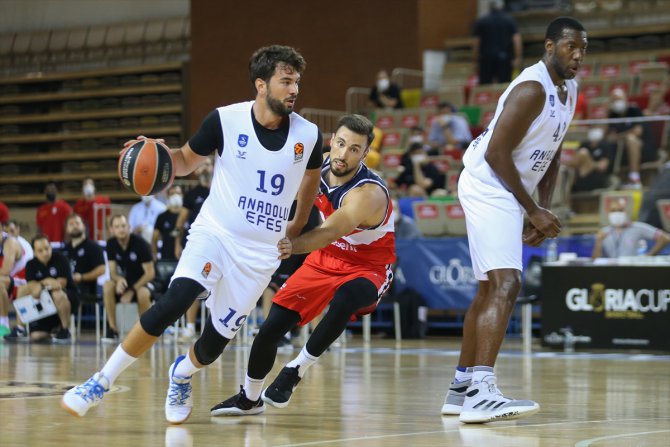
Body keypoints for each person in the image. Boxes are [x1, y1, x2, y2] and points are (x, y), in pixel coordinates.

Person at [62, 45, 323, 425]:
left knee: (214, 343)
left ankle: (181, 373)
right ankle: (100, 381)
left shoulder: (309, 134)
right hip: (216, 233)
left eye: (297, 81)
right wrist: (155, 153)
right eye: (286, 81)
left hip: (261, 254)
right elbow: (185, 160)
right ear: (261, 84)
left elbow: (311, 181)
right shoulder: (225, 120)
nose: (294, 89)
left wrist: (296, 229)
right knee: (175, 300)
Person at [442, 17, 587, 424]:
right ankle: (481, 392)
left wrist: (542, 207)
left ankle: (460, 389)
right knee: (507, 283)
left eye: (583, 48)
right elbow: (496, 154)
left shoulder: (570, 89)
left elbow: (552, 151)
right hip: (488, 182)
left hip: (504, 187)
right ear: (549, 46)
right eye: (570, 46)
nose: (577, 55)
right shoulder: (531, 89)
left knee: (490, 287)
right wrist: (532, 209)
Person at [209, 114, 395, 416]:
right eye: (341, 144)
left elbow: (328, 232)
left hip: (368, 266)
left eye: (354, 149)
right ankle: (250, 399)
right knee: (271, 326)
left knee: (346, 297)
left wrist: (289, 245)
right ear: (332, 141)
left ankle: (295, 369)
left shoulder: (368, 194)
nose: (343, 154)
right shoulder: (318, 166)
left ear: (364, 154)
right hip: (324, 258)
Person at [12, 235, 78, 343]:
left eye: (47, 248)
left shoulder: (61, 259)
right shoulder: (31, 264)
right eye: (40, 250)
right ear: (34, 252)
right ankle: (21, 328)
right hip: (44, 303)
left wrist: (41, 284)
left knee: (57, 293)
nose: (45, 253)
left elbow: (59, 284)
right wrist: (46, 282)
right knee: (36, 336)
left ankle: (65, 330)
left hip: (67, 299)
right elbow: (31, 286)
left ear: (50, 247)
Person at [102, 214, 155, 342]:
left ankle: (144, 332)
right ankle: (112, 329)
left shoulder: (141, 244)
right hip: (125, 282)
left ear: (129, 227)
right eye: (117, 227)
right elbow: (112, 272)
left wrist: (132, 290)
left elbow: (150, 273)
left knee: (142, 293)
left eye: (123, 226)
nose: (121, 229)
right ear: (111, 230)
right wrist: (118, 280)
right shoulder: (111, 244)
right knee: (108, 285)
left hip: (143, 282)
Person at [607, 87, 656, 188]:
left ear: (625, 99)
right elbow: (610, 137)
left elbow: (637, 132)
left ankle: (635, 178)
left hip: (645, 148)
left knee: (631, 139)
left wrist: (620, 136)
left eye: (619, 99)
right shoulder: (613, 114)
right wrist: (606, 112)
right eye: (614, 100)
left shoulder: (634, 110)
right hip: (623, 151)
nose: (616, 102)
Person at [592, 198, 670, 258]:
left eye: (620, 210)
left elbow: (665, 238)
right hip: (613, 269)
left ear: (626, 211)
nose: (617, 213)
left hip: (634, 268)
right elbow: (595, 260)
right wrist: (599, 242)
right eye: (613, 210)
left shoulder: (638, 227)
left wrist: (649, 257)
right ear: (608, 213)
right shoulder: (604, 232)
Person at [473, 0, 522, 85]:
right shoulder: (509, 20)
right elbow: (517, 40)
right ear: (502, 7)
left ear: (490, 7)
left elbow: (476, 42)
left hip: (486, 59)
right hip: (505, 59)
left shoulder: (482, 21)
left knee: (485, 86)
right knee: (505, 86)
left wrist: (475, 60)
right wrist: (518, 58)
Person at [61, 214, 106, 303]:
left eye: (77, 223)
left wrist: (82, 277)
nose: (75, 226)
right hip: (66, 288)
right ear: (66, 229)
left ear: (84, 226)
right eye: (71, 224)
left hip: (86, 289)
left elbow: (102, 269)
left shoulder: (94, 247)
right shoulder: (64, 250)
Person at [0, 223, 33, 338]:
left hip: (24, 283)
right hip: (10, 281)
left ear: (2, 229)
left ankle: (3, 325)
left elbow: (5, 271)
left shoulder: (10, 242)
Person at [568, 126, 617, 193]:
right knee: (582, 153)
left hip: (596, 176)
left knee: (583, 153)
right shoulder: (584, 145)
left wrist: (587, 163)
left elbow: (602, 166)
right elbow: (574, 162)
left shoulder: (605, 145)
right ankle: (572, 182)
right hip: (579, 175)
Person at [152, 185, 184, 261]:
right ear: (168, 196)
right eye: (172, 194)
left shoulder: (188, 215)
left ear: (182, 195)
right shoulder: (162, 217)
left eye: (178, 193)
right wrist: (154, 255)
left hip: (186, 256)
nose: (175, 196)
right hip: (167, 257)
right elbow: (154, 238)